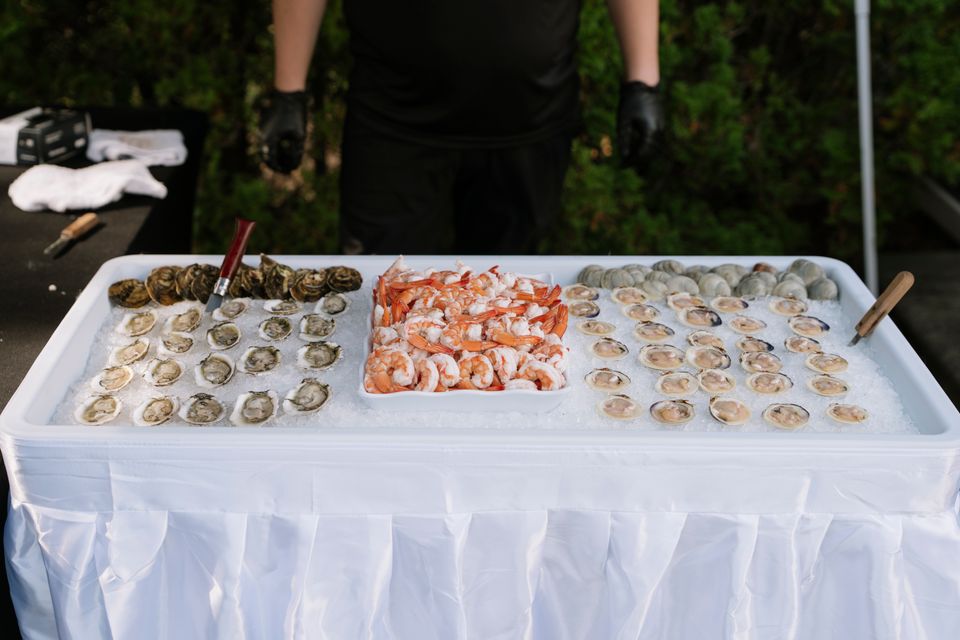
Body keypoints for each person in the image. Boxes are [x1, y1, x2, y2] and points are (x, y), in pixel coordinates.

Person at [261, 0, 663, 254]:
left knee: (509, 319)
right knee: (382, 306)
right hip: (393, 126)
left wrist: (642, 80)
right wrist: (288, 91)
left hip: (530, 122)